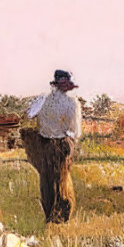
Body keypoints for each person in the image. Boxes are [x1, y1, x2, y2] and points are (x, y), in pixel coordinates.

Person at [24, 69, 83, 223]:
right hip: (62, 144)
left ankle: (49, 215)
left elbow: (28, 114)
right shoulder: (72, 102)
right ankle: (62, 216)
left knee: (46, 179)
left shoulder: (43, 98)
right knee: (63, 179)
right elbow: (76, 131)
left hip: (44, 144)